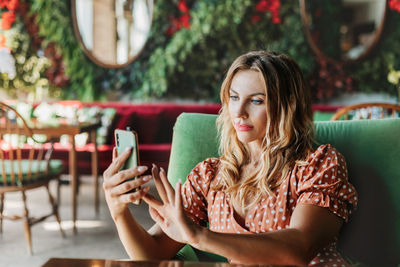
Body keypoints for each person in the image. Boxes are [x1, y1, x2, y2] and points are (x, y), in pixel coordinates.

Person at [103, 50, 358, 266]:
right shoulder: (211, 176)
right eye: (234, 98)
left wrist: (198, 235)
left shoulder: (319, 165)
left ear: (287, 105)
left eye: (256, 101)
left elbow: (298, 249)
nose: (239, 112)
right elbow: (151, 254)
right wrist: (118, 212)